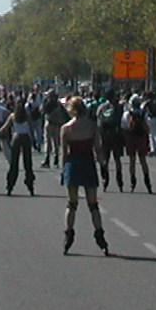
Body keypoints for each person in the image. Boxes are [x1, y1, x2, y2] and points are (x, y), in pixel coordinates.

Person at [59, 96, 109, 255]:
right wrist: (103, 165)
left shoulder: (66, 128)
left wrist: (63, 170)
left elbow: (64, 153)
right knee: (93, 204)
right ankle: (100, 235)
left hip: (72, 164)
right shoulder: (92, 126)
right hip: (88, 163)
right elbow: (98, 149)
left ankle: (68, 235)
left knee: (71, 204)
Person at [5, 96, 35, 197]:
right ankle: (30, 184)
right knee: (28, 164)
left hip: (16, 138)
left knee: (14, 164)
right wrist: (33, 140)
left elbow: (5, 128)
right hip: (26, 138)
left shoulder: (13, 116)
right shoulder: (27, 116)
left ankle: (10, 185)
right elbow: (31, 128)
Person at [122, 94, 153, 194]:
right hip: (141, 137)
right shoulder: (144, 113)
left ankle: (132, 181)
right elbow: (148, 126)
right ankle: (147, 181)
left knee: (132, 161)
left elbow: (124, 125)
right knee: (143, 160)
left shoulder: (128, 113)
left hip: (131, 137)